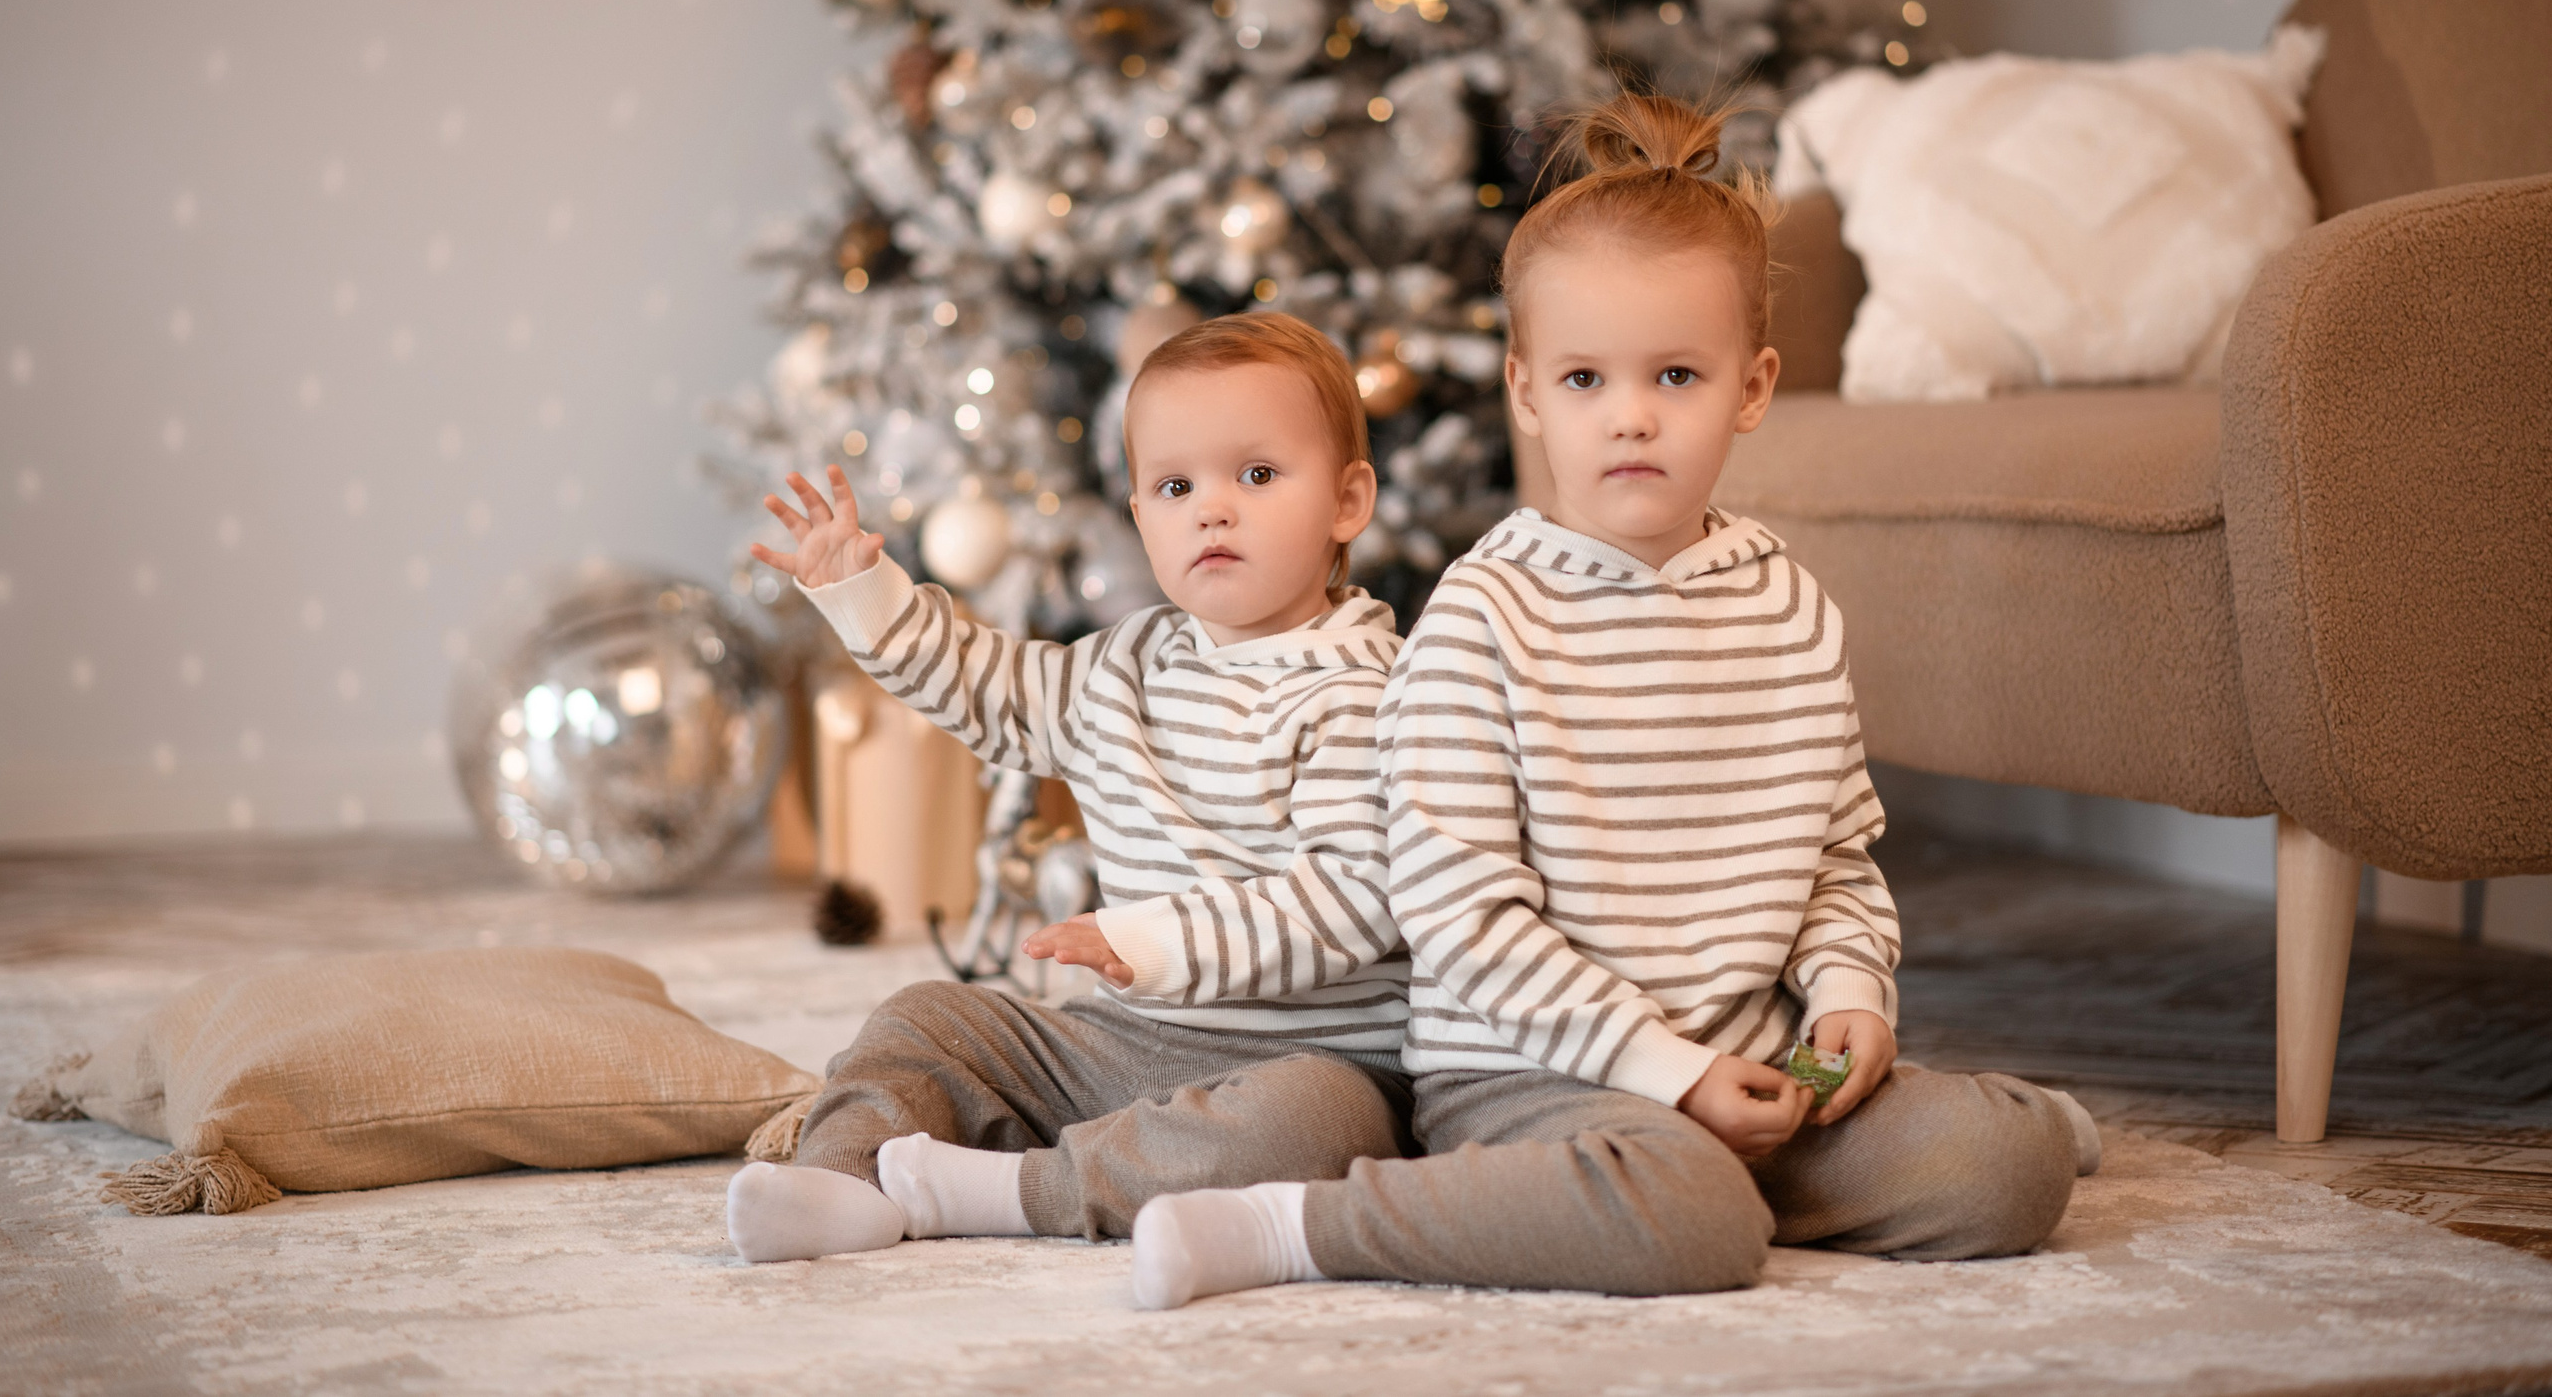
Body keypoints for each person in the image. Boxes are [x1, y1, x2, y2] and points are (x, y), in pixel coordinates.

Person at [1126, 94, 2100, 1309]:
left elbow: (1836, 855)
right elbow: (1458, 913)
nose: (1630, 414)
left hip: (1751, 1068)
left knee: (2005, 1168)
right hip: (1533, 1076)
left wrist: (1849, 994)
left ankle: (1701, 1180)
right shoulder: (1485, 617)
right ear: (1527, 393)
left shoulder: (1786, 602)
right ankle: (1298, 1224)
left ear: (1751, 389)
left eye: (1676, 375)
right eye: (1586, 377)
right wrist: (1662, 1074)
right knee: (1686, 1223)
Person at [724, 312, 1415, 1262]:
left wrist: (1152, 938)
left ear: (1348, 500)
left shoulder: (1367, 688)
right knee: (928, 1016)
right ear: (1140, 516)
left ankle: (1014, 1189)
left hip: (1301, 1056)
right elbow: (992, 690)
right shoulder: (1123, 666)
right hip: (1121, 1039)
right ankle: (842, 1176)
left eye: (1256, 475)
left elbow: (1349, 899)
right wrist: (866, 596)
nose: (1212, 508)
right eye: (1175, 486)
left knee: (1326, 1126)